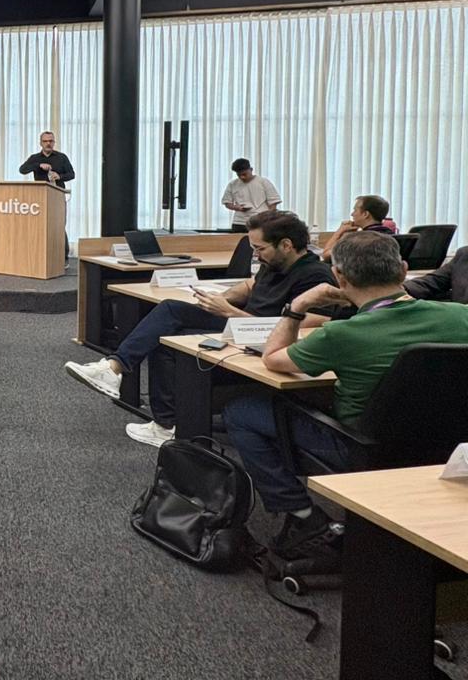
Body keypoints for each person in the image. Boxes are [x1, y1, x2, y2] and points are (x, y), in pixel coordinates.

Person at [225, 231, 468, 561]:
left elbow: (272, 358)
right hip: (450, 444)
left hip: (361, 446)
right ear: (403, 269)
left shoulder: (341, 333)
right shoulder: (461, 316)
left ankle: (303, 516)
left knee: (241, 412)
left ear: (338, 276)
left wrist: (297, 307)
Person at [63, 211, 337, 447]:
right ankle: (119, 373)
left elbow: (305, 327)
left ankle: (153, 410)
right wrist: (221, 298)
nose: (255, 254)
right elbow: (251, 286)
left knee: (171, 328)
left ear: (286, 245)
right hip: (242, 326)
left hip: (261, 339)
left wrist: (230, 312)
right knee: (167, 322)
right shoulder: (274, 263)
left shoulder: (315, 276)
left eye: (260, 248)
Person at [321, 194, 396, 261]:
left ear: (365, 214)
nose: (352, 214)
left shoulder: (357, 240)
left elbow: (326, 255)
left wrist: (340, 232)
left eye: (355, 210)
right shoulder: (392, 236)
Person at [221, 159, 280, 232]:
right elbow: (227, 203)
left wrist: (268, 219)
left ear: (251, 170)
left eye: (244, 174)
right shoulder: (232, 184)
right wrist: (237, 207)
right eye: (239, 175)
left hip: (260, 221)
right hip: (239, 222)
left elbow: (273, 203)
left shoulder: (263, 182)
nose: (242, 177)